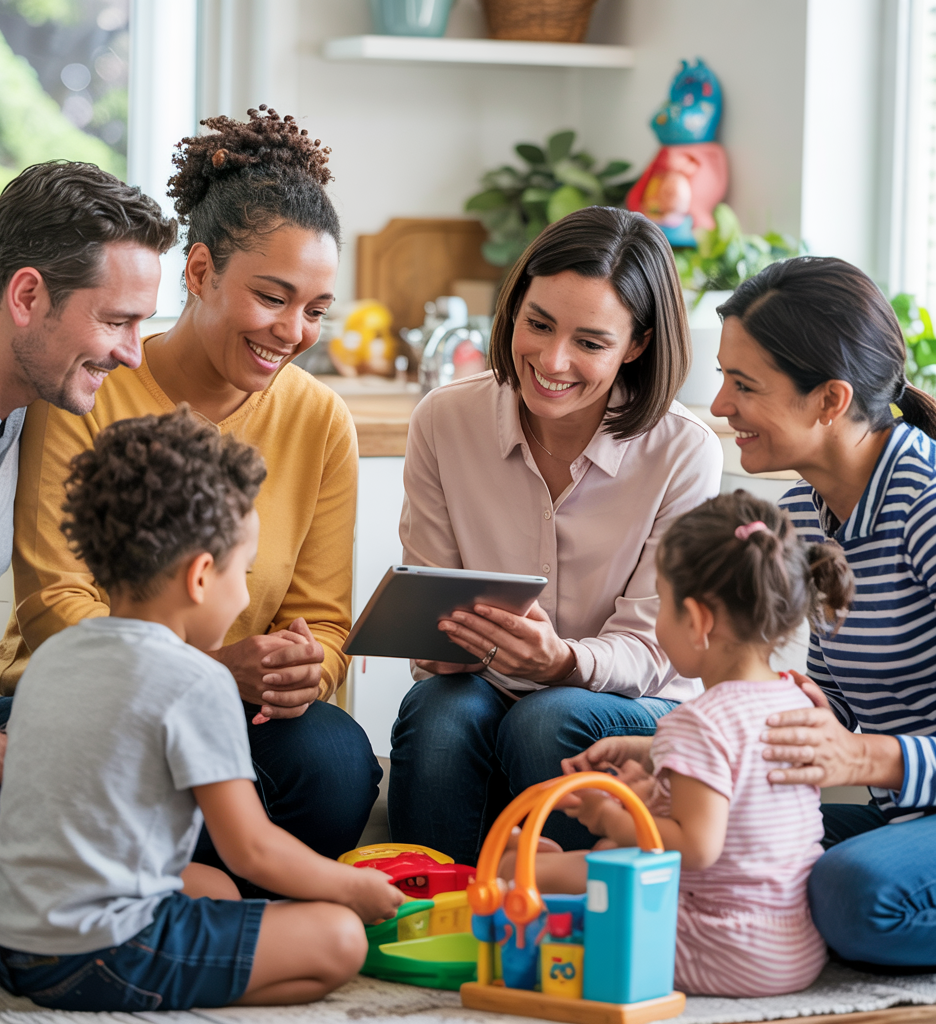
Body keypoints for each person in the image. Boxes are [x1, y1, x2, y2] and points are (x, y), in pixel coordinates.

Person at [0, 107, 380, 865]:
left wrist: (307, 670)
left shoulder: (321, 420)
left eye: (316, 310)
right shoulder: (88, 387)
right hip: (91, 697)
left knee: (335, 766)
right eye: (272, 297)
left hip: (238, 704)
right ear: (199, 272)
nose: (294, 331)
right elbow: (54, 606)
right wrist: (202, 671)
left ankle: (206, 881)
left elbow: (324, 625)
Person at [0, 408, 402, 1011]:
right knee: (339, 938)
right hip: (94, 953)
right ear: (202, 576)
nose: (247, 593)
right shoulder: (195, 679)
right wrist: (354, 887)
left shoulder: (57, 653)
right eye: (244, 571)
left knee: (215, 890)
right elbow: (251, 847)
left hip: (7, 941)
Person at [389, 206, 724, 865]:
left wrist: (563, 664)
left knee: (549, 718)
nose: (551, 359)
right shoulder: (445, 420)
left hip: (636, 700)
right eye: (537, 323)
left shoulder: (685, 452)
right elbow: (430, 605)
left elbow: (657, 648)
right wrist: (440, 648)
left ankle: (573, 923)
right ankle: (433, 916)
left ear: (637, 344)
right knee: (438, 713)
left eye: (590, 342)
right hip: (488, 686)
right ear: (515, 306)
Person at [0, 161, 176, 935]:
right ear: (27, 296)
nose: (134, 353)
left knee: (142, 760)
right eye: (118, 321)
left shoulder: (32, 399)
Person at [510, 491, 853, 996]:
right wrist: (648, 769)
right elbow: (737, 797)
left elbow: (695, 848)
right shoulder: (797, 700)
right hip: (794, 948)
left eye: (663, 607)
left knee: (553, 871)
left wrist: (610, 817)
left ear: (697, 620)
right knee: (606, 855)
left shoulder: (700, 721)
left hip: (722, 950)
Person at [708, 256, 936, 969]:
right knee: (696, 845)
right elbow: (834, 696)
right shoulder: (803, 513)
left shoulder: (924, 504)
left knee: (852, 893)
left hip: (906, 806)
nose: (719, 405)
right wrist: (696, 754)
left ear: (830, 400)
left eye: (743, 385)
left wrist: (870, 755)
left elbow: (862, 745)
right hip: (903, 813)